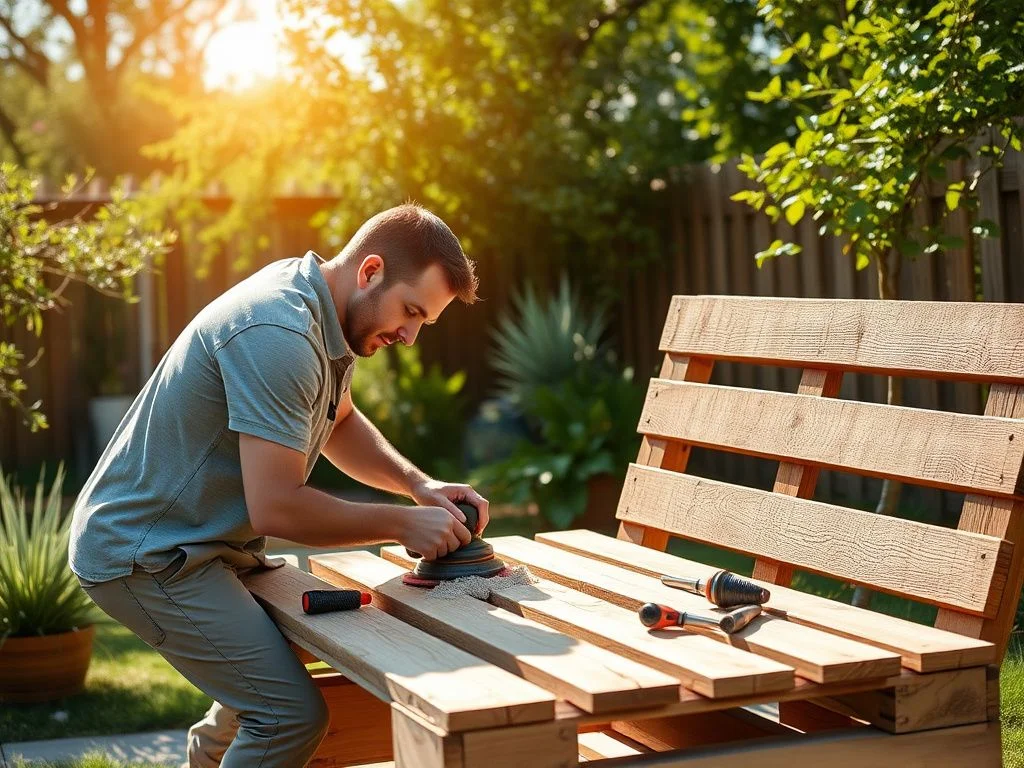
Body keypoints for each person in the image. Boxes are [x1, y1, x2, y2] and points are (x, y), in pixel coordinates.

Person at [69, 203, 488, 767]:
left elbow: (337, 420)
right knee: (286, 717)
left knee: (267, 684)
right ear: (370, 272)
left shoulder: (323, 310)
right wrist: (401, 523)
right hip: (146, 552)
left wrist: (419, 485)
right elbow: (277, 509)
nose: (410, 335)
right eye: (410, 312)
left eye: (423, 323)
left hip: (202, 543)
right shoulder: (280, 332)